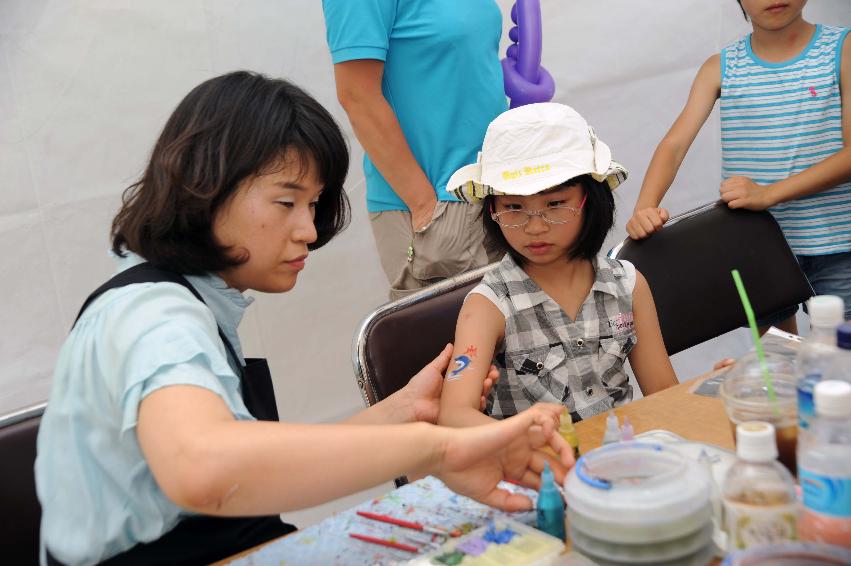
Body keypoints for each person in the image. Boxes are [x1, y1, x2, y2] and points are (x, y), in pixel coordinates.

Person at [34, 72, 575, 566]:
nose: (310, 231)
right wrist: (441, 448)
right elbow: (205, 470)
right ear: (206, 186)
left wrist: (407, 412)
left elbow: (249, 461)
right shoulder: (151, 316)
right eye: (286, 202)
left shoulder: (188, 303)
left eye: (314, 204)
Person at [437, 103, 678, 429]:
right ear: (491, 208)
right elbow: (454, 417)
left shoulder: (628, 285)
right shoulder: (489, 304)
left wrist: (712, 389)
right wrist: (524, 438)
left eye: (555, 204)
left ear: (590, 200)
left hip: (625, 461)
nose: (535, 227)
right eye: (513, 207)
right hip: (538, 471)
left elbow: (665, 396)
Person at [626, 0, 851, 329]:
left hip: (838, 243)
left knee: (842, 365)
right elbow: (673, 146)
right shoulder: (720, 67)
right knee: (777, 364)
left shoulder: (843, 49)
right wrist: (645, 208)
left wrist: (769, 194)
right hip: (757, 247)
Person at [321, 0, 507, 300]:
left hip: (496, 192)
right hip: (440, 204)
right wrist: (425, 207)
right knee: (447, 344)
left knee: (512, 340)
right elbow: (357, 97)